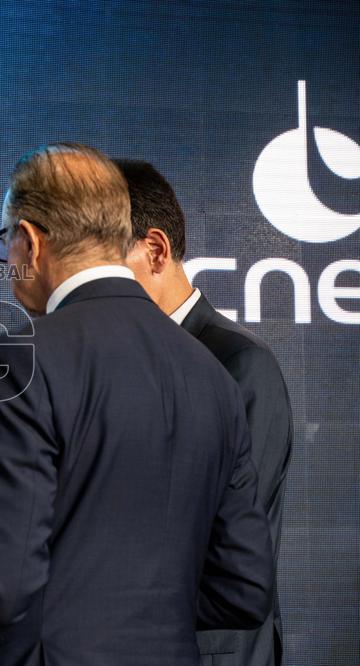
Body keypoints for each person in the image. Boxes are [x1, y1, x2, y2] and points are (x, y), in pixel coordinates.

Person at [0, 143, 274, 665]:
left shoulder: (20, 358)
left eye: (5, 244)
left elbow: (0, 588)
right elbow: (244, 590)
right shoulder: (213, 373)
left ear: (29, 240)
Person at [117, 158, 293, 666]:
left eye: (103, 262)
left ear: (155, 251)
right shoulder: (117, 362)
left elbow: (216, 547)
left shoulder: (239, 364)